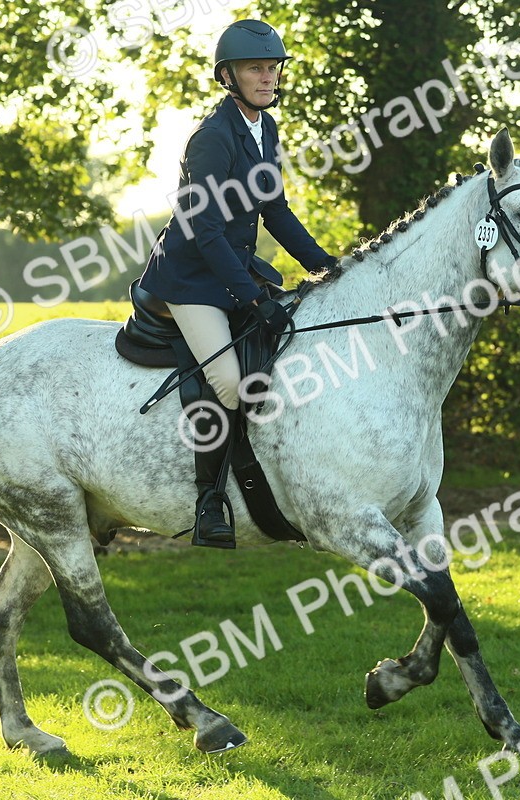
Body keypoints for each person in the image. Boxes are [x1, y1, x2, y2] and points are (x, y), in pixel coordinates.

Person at [135, 19, 336, 549]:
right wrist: (252, 299)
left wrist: (328, 266)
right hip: (191, 279)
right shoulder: (213, 138)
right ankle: (209, 501)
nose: (268, 77)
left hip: (232, 270)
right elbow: (203, 231)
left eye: (273, 68)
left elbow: (275, 210)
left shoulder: (263, 129)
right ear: (228, 76)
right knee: (230, 382)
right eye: (256, 68)